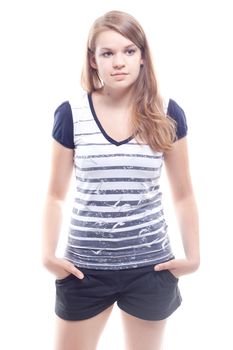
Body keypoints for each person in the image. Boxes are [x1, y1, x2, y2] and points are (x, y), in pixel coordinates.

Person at [42, 10, 200, 350]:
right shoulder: (71, 113)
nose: (119, 61)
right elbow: (55, 194)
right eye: (107, 53)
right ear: (93, 60)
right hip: (83, 271)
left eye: (129, 51)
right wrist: (47, 256)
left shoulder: (167, 112)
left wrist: (193, 256)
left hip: (150, 269)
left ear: (143, 56)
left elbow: (184, 194)